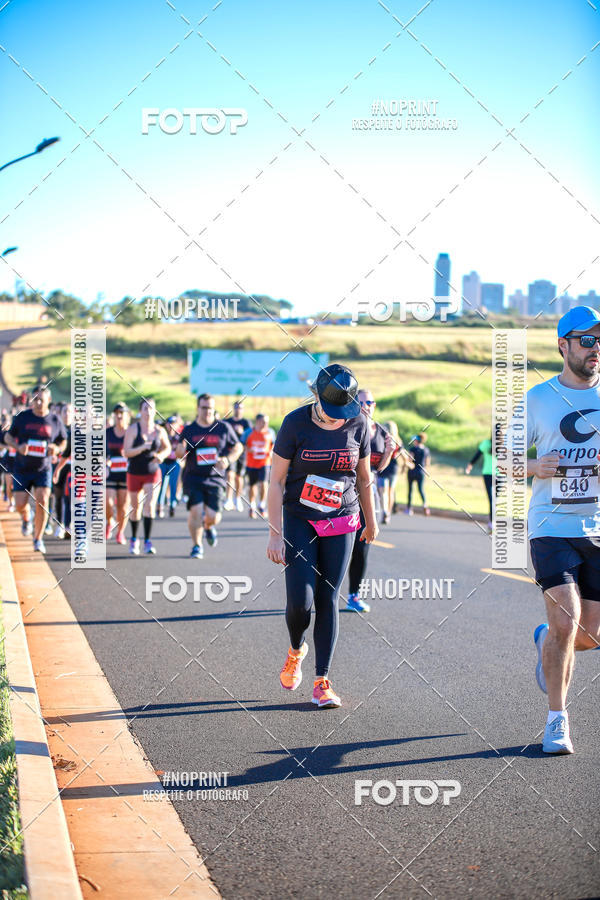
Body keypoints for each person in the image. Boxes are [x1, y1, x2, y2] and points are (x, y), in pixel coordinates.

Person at [509, 307, 600, 755]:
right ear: (563, 345)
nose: (596, 348)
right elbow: (504, 459)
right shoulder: (537, 398)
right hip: (551, 526)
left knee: (588, 634)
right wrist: (533, 466)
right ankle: (556, 720)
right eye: (586, 340)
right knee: (566, 617)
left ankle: (546, 640)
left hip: (599, 529)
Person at [267, 364, 378, 708]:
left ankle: (322, 682)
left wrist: (370, 521)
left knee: (328, 598)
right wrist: (275, 534)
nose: (336, 421)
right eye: (331, 414)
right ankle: (296, 649)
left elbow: (363, 477)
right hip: (300, 518)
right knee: (300, 602)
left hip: (342, 519)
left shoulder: (360, 423)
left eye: (341, 414)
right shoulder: (295, 423)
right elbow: (275, 482)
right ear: (316, 396)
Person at [176, 394, 242, 558]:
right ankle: (197, 545)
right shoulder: (189, 430)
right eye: (204, 408)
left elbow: (238, 447)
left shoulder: (223, 428)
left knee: (214, 517)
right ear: (198, 408)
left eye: (210, 408)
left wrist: (227, 459)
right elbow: (179, 452)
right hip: (193, 478)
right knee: (196, 511)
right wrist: (179, 452)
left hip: (216, 479)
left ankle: (208, 526)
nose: (207, 411)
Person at [345, 389, 393, 612]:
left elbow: (376, 471)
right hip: (343, 497)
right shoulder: (347, 426)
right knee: (338, 548)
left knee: (361, 548)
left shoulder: (381, 431)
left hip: (366, 496)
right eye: (363, 402)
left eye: (371, 402)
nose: (368, 405)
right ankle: (324, 592)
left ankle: (354, 595)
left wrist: (388, 454)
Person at [5, 385, 67, 553]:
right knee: (19, 504)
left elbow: (63, 441)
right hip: (22, 468)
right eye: (35, 399)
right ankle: (27, 517)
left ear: (49, 400)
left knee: (43, 501)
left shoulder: (55, 420)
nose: (38, 403)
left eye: (42, 399)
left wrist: (57, 448)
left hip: (43, 468)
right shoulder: (23, 417)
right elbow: (8, 437)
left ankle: (38, 539)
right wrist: (18, 446)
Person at [123, 398, 170, 555]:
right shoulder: (133, 429)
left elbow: (168, 447)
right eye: (145, 408)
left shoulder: (159, 431)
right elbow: (126, 452)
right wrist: (142, 447)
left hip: (152, 472)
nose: (148, 411)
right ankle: (134, 539)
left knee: (150, 506)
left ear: (155, 411)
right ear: (140, 411)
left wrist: (162, 455)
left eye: (151, 408)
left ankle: (148, 541)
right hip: (135, 472)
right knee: (136, 509)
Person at [377, 421, 412, 524]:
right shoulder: (398, 441)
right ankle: (387, 512)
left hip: (384, 465)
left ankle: (384, 511)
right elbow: (404, 455)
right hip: (394, 467)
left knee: (383, 491)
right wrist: (407, 464)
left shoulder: (382, 438)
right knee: (390, 491)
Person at [106, 403, 131, 544]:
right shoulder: (107, 433)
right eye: (116, 413)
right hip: (110, 473)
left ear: (128, 415)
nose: (119, 415)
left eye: (122, 413)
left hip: (126, 474)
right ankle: (109, 521)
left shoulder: (132, 432)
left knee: (123, 506)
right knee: (108, 503)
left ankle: (120, 532)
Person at [243, 414, 276, 518]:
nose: (266, 424)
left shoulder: (270, 432)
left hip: (265, 462)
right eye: (263, 422)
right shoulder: (248, 432)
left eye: (267, 422)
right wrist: (249, 450)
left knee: (264, 483)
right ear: (257, 422)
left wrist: (271, 452)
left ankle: (261, 505)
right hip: (251, 463)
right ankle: (252, 505)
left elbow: (274, 445)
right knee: (252, 485)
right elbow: (241, 446)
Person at [465, 432, 497, 532]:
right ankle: (492, 522)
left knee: (492, 499)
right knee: (495, 499)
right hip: (499, 475)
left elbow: (477, 455)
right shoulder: (505, 443)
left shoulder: (486, 443)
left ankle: (492, 522)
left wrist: (470, 465)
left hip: (488, 474)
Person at [224, 400, 250, 511]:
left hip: (242, 453)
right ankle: (228, 499)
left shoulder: (246, 423)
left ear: (243, 410)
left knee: (239, 477)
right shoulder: (227, 422)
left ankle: (238, 499)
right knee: (230, 475)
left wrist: (242, 431)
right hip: (230, 451)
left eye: (240, 408)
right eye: (236, 408)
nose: (238, 410)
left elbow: (251, 436)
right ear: (233, 409)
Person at [52, 403, 72, 539]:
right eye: (64, 411)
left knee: (69, 497)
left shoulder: (77, 429)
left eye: (70, 412)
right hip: (59, 465)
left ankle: (68, 525)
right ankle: (59, 524)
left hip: (72, 466)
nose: (67, 414)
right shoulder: (57, 428)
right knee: (58, 496)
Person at [157, 414, 183, 518]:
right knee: (161, 485)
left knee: (173, 485)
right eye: (169, 424)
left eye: (173, 424)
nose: (171, 426)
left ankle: (172, 504)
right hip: (163, 463)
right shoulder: (163, 435)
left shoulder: (180, 437)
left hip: (174, 463)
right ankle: (160, 505)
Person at [406, 432, 431, 516]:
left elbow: (409, 460)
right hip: (421, 471)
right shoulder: (426, 450)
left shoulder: (413, 449)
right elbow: (427, 462)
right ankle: (425, 505)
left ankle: (409, 508)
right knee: (421, 489)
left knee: (410, 490)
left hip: (412, 471)